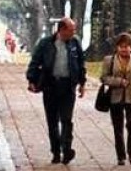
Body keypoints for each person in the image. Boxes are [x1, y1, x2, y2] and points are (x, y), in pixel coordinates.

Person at [26, 17, 86, 165]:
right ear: (61, 30)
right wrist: (31, 80)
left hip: (68, 87)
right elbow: (34, 62)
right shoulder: (46, 43)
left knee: (66, 120)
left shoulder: (75, 43)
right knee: (52, 121)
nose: (74, 33)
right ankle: (55, 152)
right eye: (71, 30)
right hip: (50, 86)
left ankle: (67, 150)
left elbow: (81, 63)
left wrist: (82, 83)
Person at [101, 32, 131, 166]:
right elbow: (104, 78)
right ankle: (121, 156)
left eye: (127, 46)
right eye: (121, 46)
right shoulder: (109, 60)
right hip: (115, 99)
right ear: (117, 47)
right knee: (118, 128)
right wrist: (118, 81)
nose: (124, 49)